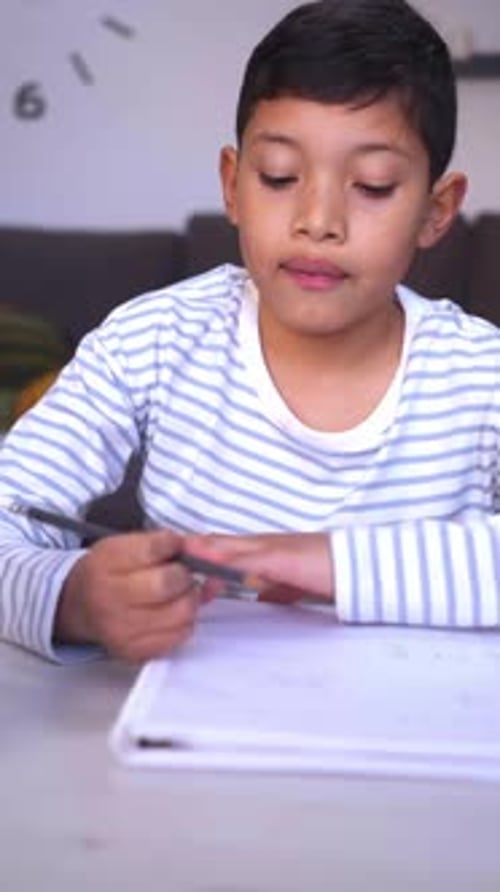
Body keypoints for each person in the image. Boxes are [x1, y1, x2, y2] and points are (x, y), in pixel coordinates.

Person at [0, 0, 496, 664]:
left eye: (373, 186)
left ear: (435, 213)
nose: (319, 220)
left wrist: (328, 564)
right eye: (280, 177)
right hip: (181, 746)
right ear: (233, 186)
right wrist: (74, 601)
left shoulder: (480, 375)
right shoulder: (150, 344)